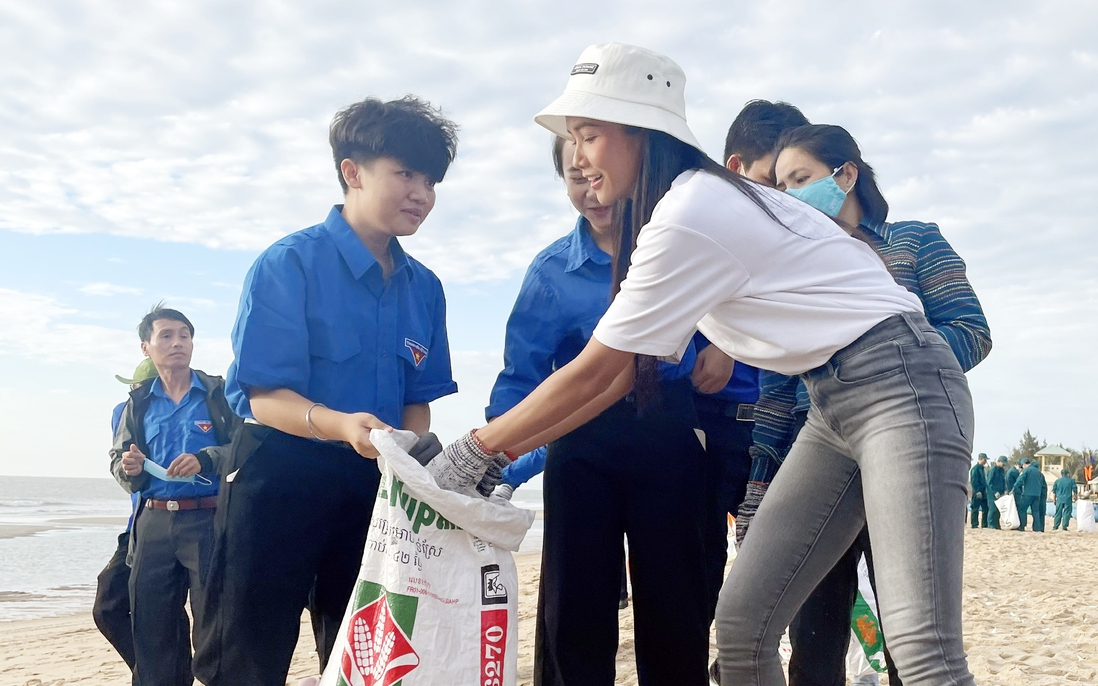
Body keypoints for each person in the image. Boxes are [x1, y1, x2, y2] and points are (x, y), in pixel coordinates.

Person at [426, 43, 979, 685]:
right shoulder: (692, 207)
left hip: (901, 381)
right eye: (572, 138)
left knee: (923, 652)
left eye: (591, 134)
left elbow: (603, 370)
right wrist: (491, 457)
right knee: (743, 631)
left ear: (646, 134)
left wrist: (469, 454)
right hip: (828, 406)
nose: (576, 156)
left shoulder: (690, 212)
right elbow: (614, 378)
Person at [193, 96, 459, 686]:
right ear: (352, 172)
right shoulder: (289, 264)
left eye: (431, 180)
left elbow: (419, 398)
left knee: (367, 653)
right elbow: (260, 396)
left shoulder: (425, 289)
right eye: (406, 173)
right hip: (279, 473)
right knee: (246, 652)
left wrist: (414, 456)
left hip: (377, 484)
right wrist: (339, 424)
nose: (422, 193)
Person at [741, 121, 992, 686]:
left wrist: (881, 355)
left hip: (904, 446)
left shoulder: (913, 240)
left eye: (801, 179)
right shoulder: (798, 264)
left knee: (911, 641)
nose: (790, 196)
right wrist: (759, 485)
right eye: (781, 187)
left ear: (845, 173)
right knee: (814, 638)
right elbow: (778, 384)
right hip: (821, 457)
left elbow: (972, 331)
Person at [485, 135, 706, 684]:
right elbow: (523, 377)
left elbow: (733, 310)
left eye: (596, 173)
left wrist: (720, 349)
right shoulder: (551, 271)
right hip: (581, 443)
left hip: (668, 431)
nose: (590, 190)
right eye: (573, 177)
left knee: (677, 606)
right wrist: (497, 467)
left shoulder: (676, 250)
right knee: (573, 610)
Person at [109, 307, 238, 686]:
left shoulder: (218, 393)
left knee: (215, 628)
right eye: (166, 335)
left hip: (208, 520)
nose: (177, 342)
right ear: (146, 347)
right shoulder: (139, 402)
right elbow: (118, 459)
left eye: (184, 334)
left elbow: (244, 448)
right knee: (152, 631)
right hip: (154, 523)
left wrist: (205, 459)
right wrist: (129, 469)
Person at [94, 360, 191, 681]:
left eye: (138, 388)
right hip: (139, 526)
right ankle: (161, 673)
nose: (133, 394)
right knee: (108, 605)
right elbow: (120, 462)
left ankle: (165, 675)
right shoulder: (128, 413)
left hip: (185, 522)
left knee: (169, 610)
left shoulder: (186, 410)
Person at [1013, 458, 1042, 531]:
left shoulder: (1026, 470)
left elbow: (1019, 480)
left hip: (1028, 493)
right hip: (1037, 494)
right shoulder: (1037, 471)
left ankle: (1022, 526)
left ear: (1024, 464)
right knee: (1035, 511)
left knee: (1022, 509)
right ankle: (1037, 528)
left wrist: (1013, 488)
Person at [986, 455, 1008, 529]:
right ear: (999, 462)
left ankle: (996, 524)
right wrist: (995, 492)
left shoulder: (1002, 471)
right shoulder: (993, 470)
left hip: (1001, 493)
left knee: (998, 510)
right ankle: (991, 524)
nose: (1004, 465)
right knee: (992, 509)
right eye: (1003, 463)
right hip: (992, 493)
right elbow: (989, 483)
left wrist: (1005, 490)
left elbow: (1003, 482)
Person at [969, 454, 990, 528]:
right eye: (985, 459)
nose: (986, 461)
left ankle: (984, 524)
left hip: (983, 491)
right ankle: (974, 524)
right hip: (977, 492)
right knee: (975, 508)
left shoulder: (982, 469)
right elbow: (974, 481)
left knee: (986, 508)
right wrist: (977, 491)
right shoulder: (975, 469)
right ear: (980, 459)